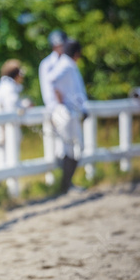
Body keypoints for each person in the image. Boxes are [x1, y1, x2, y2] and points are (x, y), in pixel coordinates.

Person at [49, 39, 88, 193]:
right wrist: (60, 101)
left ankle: (67, 184)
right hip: (68, 111)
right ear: (77, 53)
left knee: (72, 148)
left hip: (71, 110)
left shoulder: (67, 64)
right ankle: (66, 185)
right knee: (72, 148)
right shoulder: (66, 65)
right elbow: (52, 80)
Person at [0, 59, 28, 197]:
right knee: (5, 163)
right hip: (5, 133)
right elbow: (12, 109)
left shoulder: (4, 86)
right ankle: (8, 194)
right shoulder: (9, 87)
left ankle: (3, 193)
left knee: (3, 163)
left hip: (2, 132)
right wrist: (24, 107)